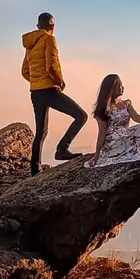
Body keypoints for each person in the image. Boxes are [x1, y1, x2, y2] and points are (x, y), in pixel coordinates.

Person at [21, 12, 87, 176]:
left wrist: (36, 82)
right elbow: (51, 66)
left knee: (41, 132)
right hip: (49, 90)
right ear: (53, 26)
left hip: (35, 92)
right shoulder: (49, 39)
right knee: (81, 116)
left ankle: (35, 170)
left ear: (38, 26)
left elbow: (24, 71)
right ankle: (62, 149)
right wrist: (59, 81)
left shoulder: (30, 45)